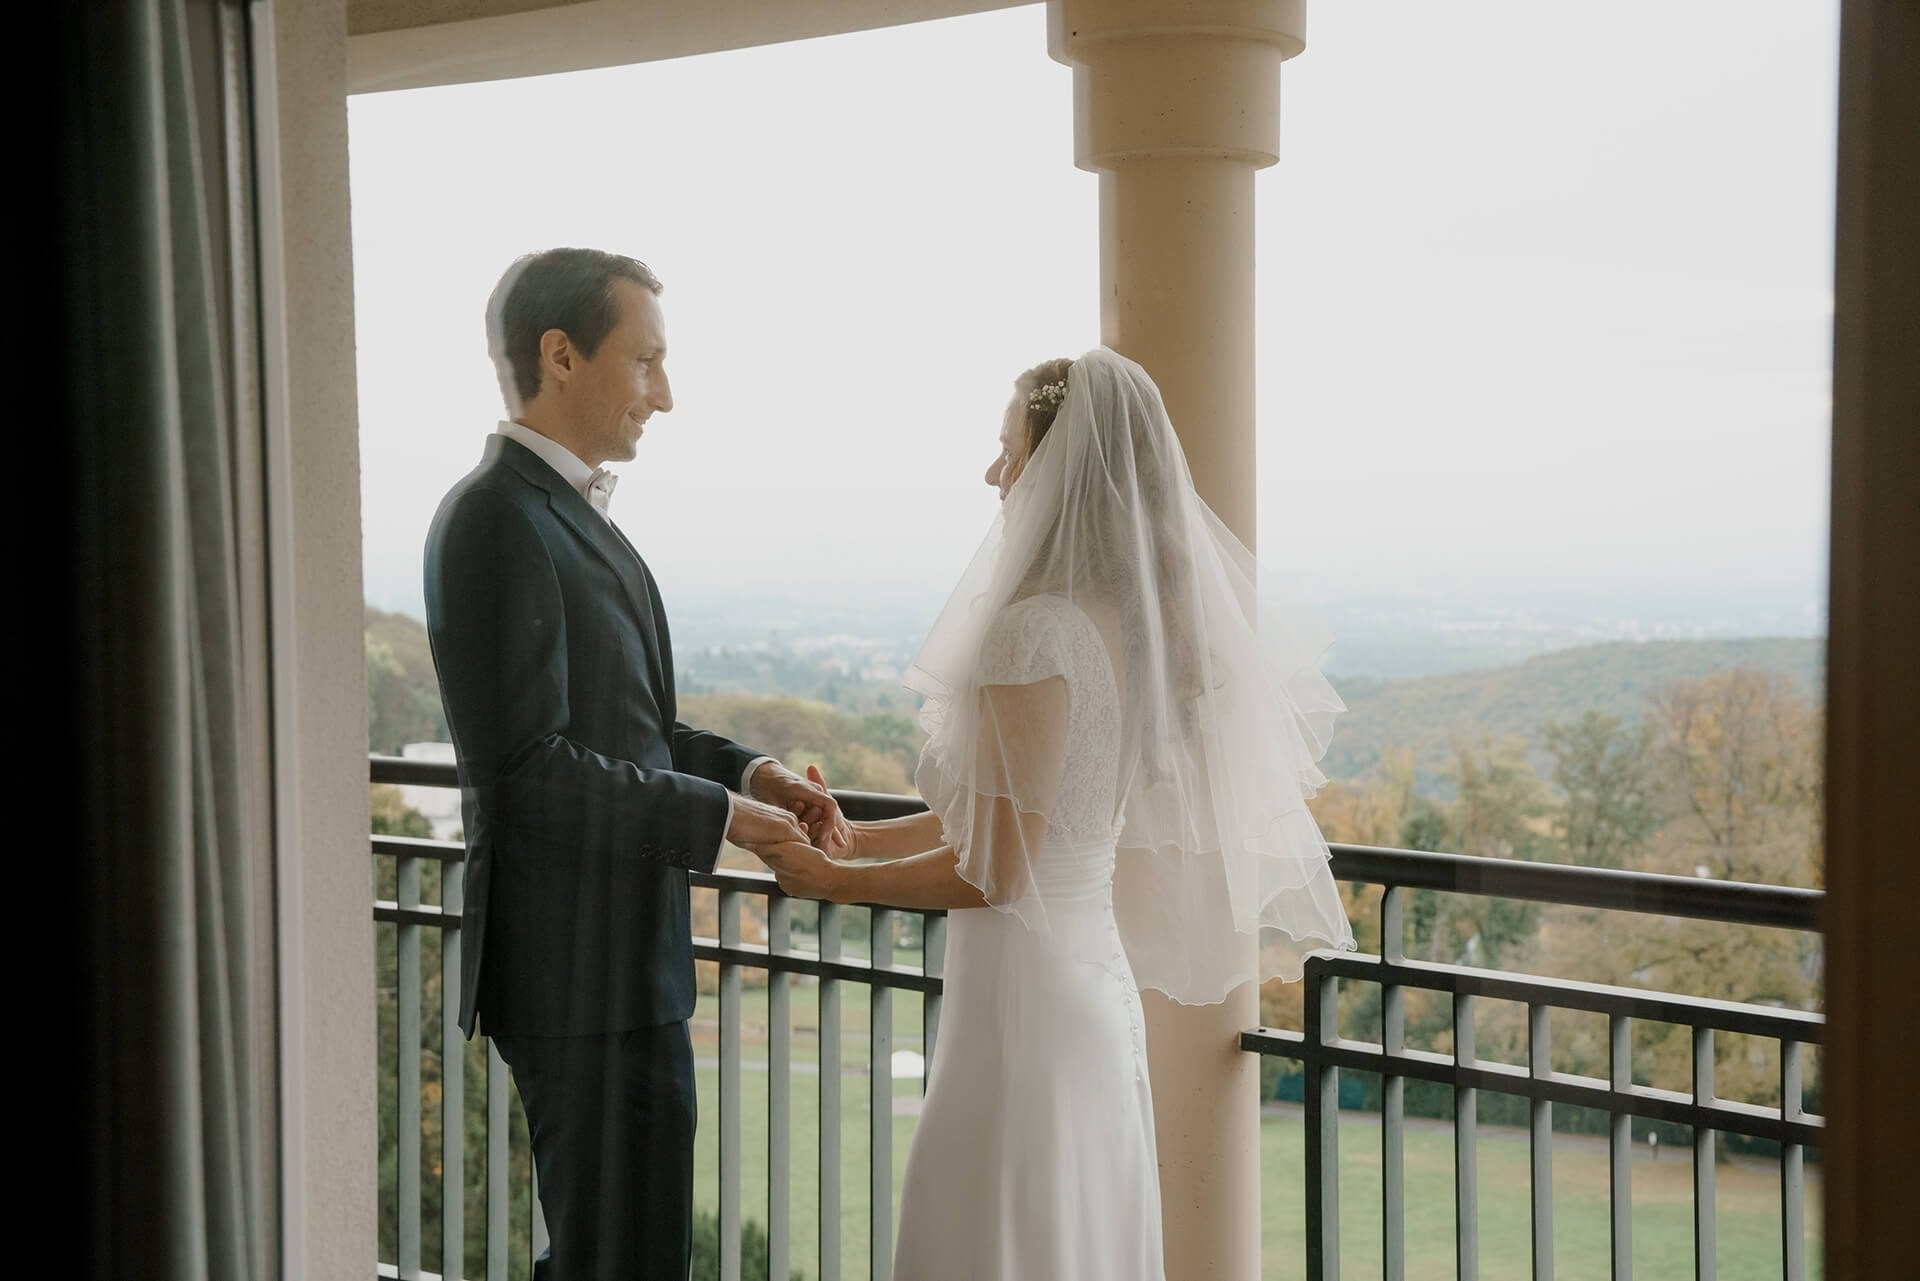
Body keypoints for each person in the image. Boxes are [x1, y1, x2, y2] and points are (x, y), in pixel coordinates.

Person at [754, 347, 1355, 1279]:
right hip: (1084, 981)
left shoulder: (1034, 629)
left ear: (1062, 468)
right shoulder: (1134, 622)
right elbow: (1038, 821)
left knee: (997, 1232)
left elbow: (1000, 870)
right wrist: (864, 834)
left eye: (1010, 449)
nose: (994, 472)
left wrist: (834, 877)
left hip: (1024, 996)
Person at [423, 247, 846, 1281]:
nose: (666, 395)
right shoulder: (496, 518)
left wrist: (752, 777)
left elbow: (632, 728)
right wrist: (719, 819)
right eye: (646, 362)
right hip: (576, 981)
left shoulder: (559, 512)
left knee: (624, 1255)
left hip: (621, 972)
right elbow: (525, 768)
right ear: (560, 356)